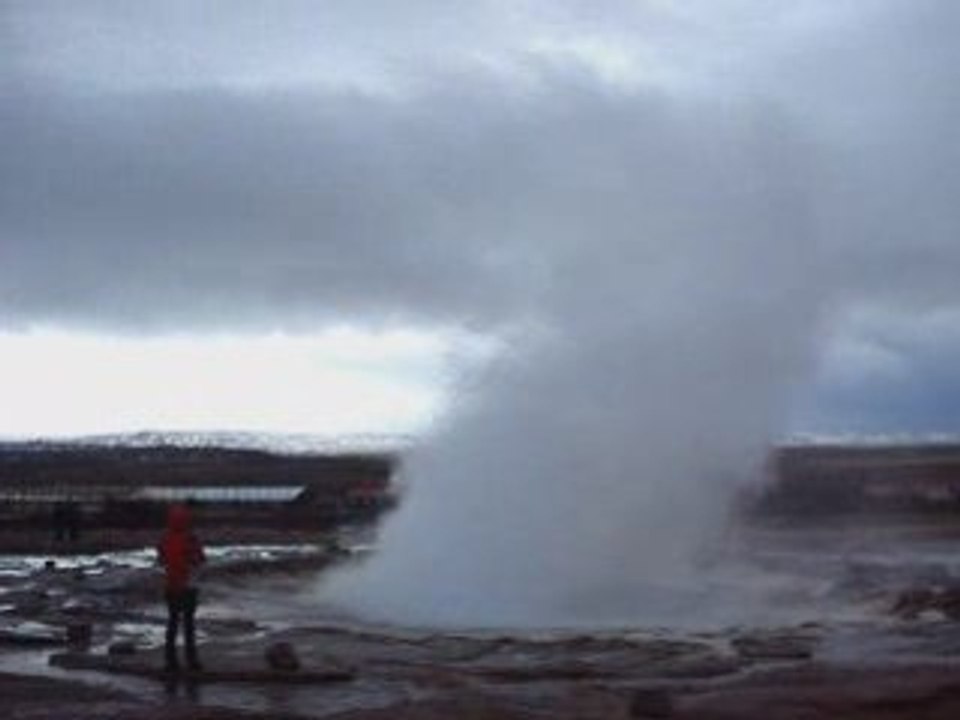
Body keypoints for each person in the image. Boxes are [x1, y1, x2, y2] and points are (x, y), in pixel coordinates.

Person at [157, 503, 206, 673]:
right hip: (187, 585)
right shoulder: (191, 538)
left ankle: (170, 662)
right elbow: (200, 559)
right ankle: (191, 661)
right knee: (188, 624)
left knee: (172, 623)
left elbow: (161, 560)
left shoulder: (165, 538)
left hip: (171, 585)